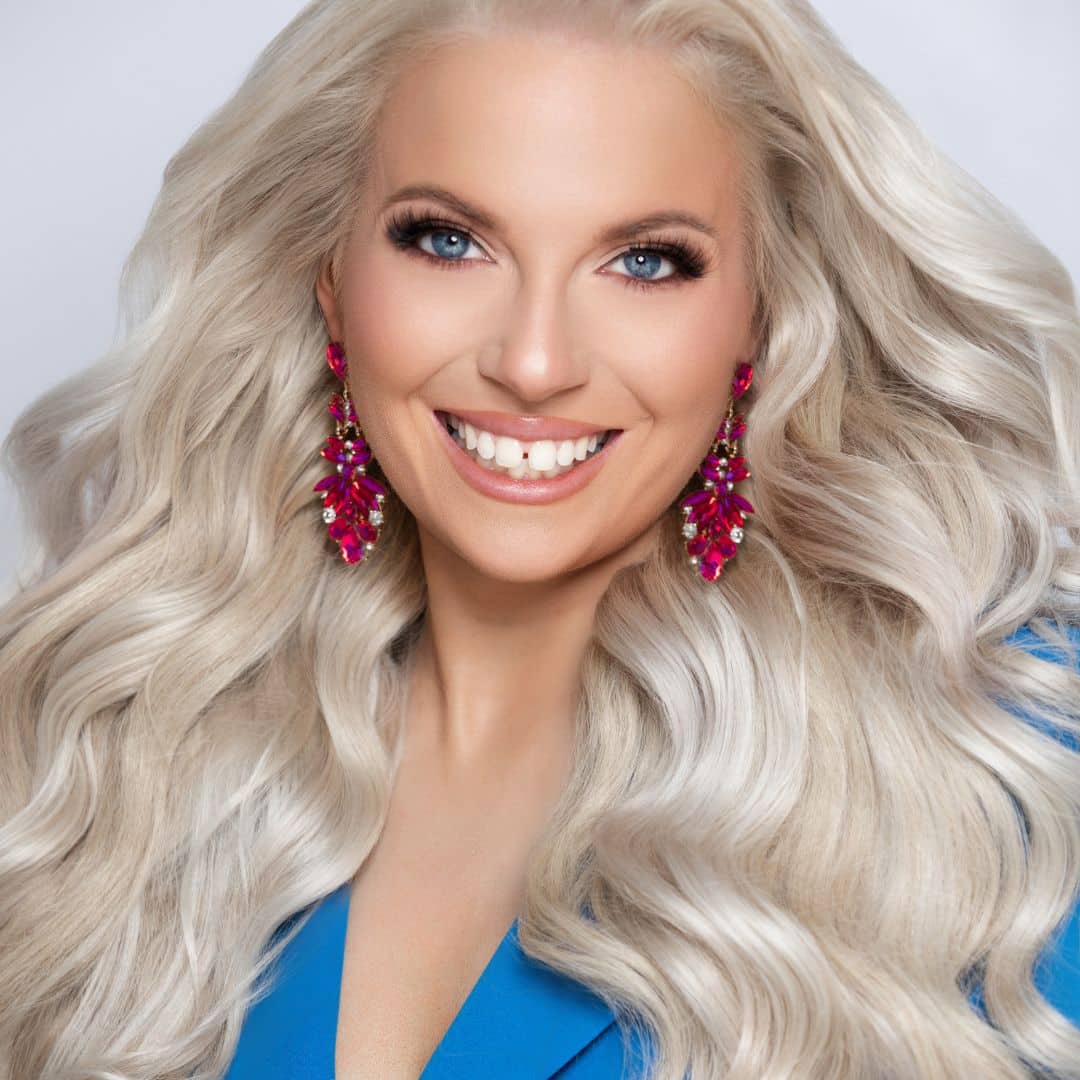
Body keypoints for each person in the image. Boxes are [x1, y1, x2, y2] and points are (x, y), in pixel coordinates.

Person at [1, 0, 1078, 1077]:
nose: (532, 361)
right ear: (331, 284)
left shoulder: (1007, 781)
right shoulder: (125, 754)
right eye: (448, 241)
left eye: (647, 261)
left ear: (762, 312)